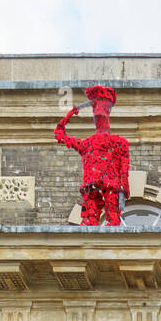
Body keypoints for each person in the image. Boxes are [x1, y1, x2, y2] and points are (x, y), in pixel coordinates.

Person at [55, 85, 130, 227]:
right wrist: (71, 113)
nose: (98, 119)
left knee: (113, 221)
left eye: (101, 115)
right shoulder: (86, 144)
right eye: (96, 116)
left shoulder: (119, 143)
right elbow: (60, 134)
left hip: (111, 187)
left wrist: (123, 192)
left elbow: (124, 170)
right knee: (89, 223)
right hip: (91, 187)